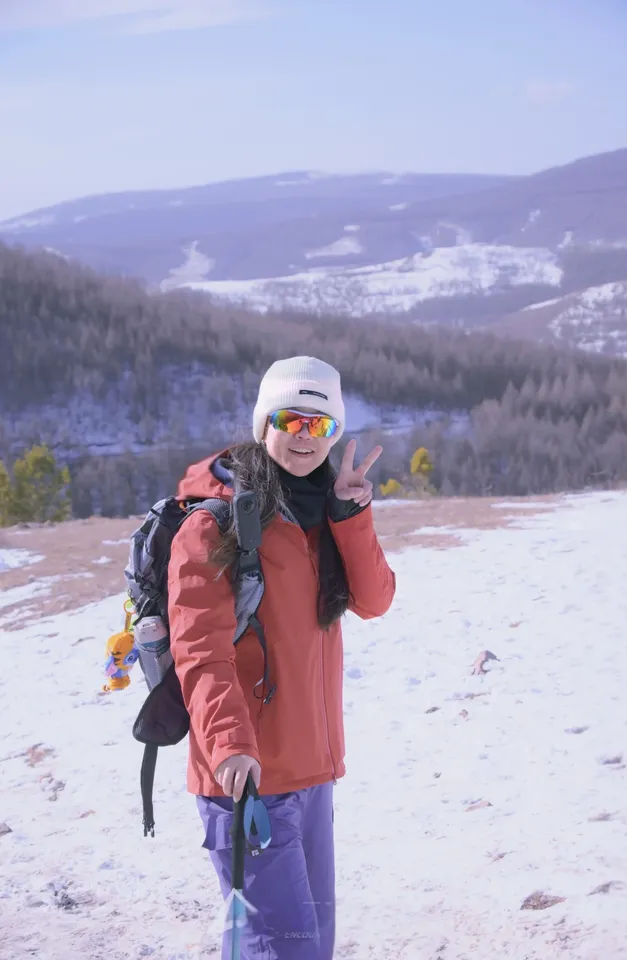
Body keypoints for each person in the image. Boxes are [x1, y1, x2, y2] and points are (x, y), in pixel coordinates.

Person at [167, 356, 396, 959]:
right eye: (291, 419)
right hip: (247, 777)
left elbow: (375, 600)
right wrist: (231, 747)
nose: (303, 436)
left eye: (320, 425)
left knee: (301, 944)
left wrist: (352, 517)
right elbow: (201, 650)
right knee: (284, 948)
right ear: (264, 421)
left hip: (312, 774)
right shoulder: (216, 523)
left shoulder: (324, 511)